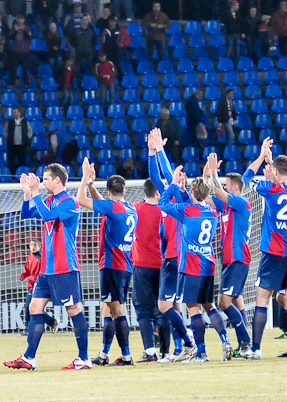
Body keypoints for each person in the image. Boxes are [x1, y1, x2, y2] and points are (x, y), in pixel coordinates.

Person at [4, 163, 91, 371]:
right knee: (35, 307)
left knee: (73, 309)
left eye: (46, 179)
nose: (43, 183)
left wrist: (35, 193)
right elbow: (27, 214)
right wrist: (27, 194)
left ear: (57, 180)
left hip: (64, 267)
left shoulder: (69, 201)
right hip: (47, 268)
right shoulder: (50, 200)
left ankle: (84, 358)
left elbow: (48, 216)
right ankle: (29, 357)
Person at [147, 136, 220, 364]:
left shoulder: (181, 200)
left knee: (168, 305)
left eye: (181, 181)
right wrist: (152, 153)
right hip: (172, 256)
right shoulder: (173, 195)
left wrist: (160, 150)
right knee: (175, 304)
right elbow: (156, 175)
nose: (177, 182)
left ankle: (188, 343)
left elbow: (167, 174)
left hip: (178, 256)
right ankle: (182, 347)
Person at [239, 139, 287, 360]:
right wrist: (273, 164)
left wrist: (262, 157)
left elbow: (246, 178)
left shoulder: (270, 189)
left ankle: (256, 349)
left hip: (274, 253)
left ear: (276, 173)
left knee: (262, 299)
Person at [75, 163, 135, 366]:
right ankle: (104, 353)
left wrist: (84, 179)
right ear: (124, 190)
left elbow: (80, 200)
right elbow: (104, 205)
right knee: (107, 308)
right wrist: (92, 187)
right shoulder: (130, 208)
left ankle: (126, 356)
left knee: (116, 310)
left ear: (109, 191)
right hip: (125, 265)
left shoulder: (112, 207)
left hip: (112, 265)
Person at [209, 166, 255, 360]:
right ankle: (243, 344)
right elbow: (208, 198)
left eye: (227, 184)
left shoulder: (242, 202)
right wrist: (206, 175)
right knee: (236, 301)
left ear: (235, 187)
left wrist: (213, 173)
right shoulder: (228, 206)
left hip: (238, 258)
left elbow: (218, 192)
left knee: (224, 303)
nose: (225, 187)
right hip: (229, 259)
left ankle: (246, 341)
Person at [129, 178, 168, 362]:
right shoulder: (166, 211)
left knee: (143, 309)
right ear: (158, 192)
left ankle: (151, 351)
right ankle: (166, 352)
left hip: (142, 265)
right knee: (164, 308)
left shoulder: (135, 209)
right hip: (163, 265)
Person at [5, 107, 33, 173]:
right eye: (13, 112)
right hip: (12, 145)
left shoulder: (25, 122)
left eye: (15, 112)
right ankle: (12, 174)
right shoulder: (9, 122)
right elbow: (5, 131)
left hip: (22, 145)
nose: (14, 114)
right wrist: (8, 138)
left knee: (22, 160)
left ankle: (21, 173)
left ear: (20, 113)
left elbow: (30, 131)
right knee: (11, 161)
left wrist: (27, 138)